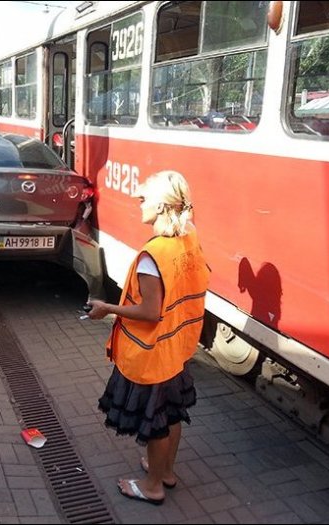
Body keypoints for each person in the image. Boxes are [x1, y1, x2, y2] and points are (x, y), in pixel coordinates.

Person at [85, 170, 210, 505]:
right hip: (178, 345)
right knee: (171, 413)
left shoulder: (151, 258)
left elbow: (150, 312)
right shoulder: (188, 237)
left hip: (152, 352)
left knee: (155, 421)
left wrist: (107, 308)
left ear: (162, 206)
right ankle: (166, 471)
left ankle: (153, 485)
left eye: (144, 199)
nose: (138, 203)